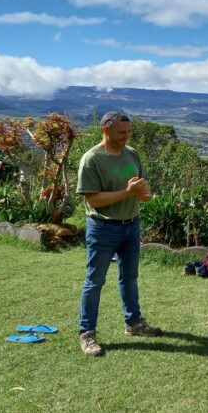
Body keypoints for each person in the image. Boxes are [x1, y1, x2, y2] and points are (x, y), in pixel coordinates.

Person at [76, 111, 161, 356]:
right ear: (106, 129)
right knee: (95, 281)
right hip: (103, 227)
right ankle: (87, 334)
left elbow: (141, 186)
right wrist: (128, 192)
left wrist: (144, 194)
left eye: (128, 132)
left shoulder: (131, 153)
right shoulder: (91, 159)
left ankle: (134, 323)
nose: (126, 136)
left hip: (131, 225)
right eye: (121, 132)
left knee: (129, 277)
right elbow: (94, 200)